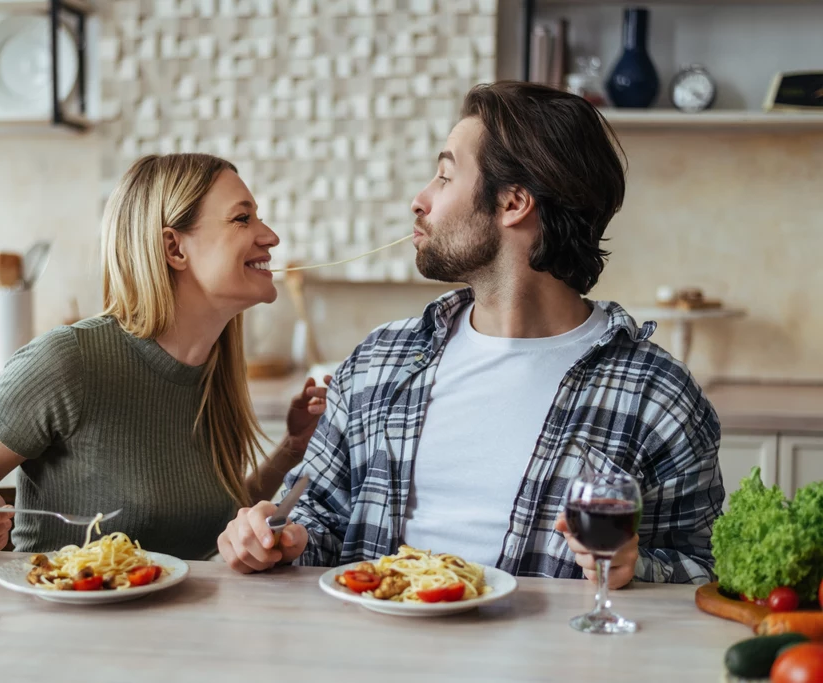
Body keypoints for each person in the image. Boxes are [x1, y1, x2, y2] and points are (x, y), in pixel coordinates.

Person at [219, 82, 725, 587]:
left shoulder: (656, 395)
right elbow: (316, 521)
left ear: (513, 203)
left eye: (444, 176)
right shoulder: (377, 364)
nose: (419, 200)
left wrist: (635, 569)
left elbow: (707, 569)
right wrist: (277, 539)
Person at [0, 153, 329, 560]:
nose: (271, 236)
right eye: (243, 218)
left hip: (186, 627)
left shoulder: (212, 368)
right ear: (174, 248)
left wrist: (291, 449)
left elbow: (215, 518)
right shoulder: (67, 362)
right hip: (67, 626)